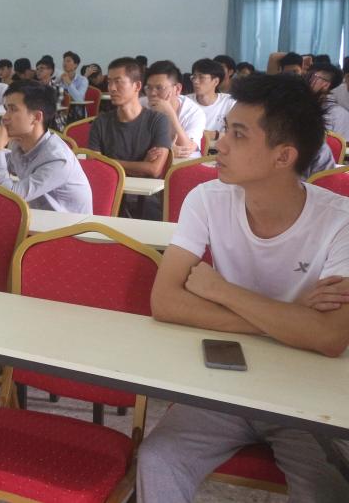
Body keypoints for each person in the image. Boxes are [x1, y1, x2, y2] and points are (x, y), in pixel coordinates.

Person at [138, 73, 349, 502]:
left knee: (327, 488)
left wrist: (221, 290)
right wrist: (293, 320)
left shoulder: (339, 222)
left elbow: (329, 338)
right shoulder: (207, 199)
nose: (219, 144)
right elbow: (165, 302)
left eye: (238, 134)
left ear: (283, 156)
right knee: (157, 459)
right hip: (226, 379)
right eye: (224, 129)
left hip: (305, 391)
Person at [0, 80, 92, 213]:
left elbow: (8, 196)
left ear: (36, 117)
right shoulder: (20, 143)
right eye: (6, 109)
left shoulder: (58, 159)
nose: (5, 117)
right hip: (38, 220)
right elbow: (10, 161)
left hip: (69, 225)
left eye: (13, 109)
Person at [90, 58, 171, 218]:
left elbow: (154, 169)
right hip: (109, 194)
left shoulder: (157, 121)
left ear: (137, 86)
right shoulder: (101, 122)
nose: (112, 88)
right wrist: (141, 166)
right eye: (109, 82)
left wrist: (108, 162)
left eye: (118, 82)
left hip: (145, 199)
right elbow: (95, 167)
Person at [140, 61, 205, 158]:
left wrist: (170, 113)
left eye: (159, 88)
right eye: (148, 87)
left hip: (186, 163)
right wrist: (167, 150)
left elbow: (185, 148)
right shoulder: (141, 104)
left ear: (177, 89)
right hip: (151, 162)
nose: (152, 93)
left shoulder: (194, 112)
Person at [186, 58, 236, 138]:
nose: (195, 81)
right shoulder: (186, 102)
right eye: (194, 77)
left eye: (201, 77)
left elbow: (236, 134)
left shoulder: (229, 102)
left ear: (216, 81)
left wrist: (214, 135)